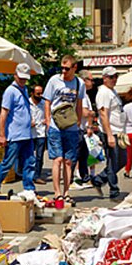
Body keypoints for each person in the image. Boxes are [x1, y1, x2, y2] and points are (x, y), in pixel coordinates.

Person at [42, 55, 85, 204]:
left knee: (68, 161)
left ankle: (67, 192)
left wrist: (79, 122)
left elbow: (79, 103)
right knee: (57, 159)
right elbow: (47, 101)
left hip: (71, 126)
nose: (63, 70)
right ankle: (57, 192)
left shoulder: (79, 83)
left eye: (67, 68)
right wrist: (47, 121)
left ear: (74, 68)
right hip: (55, 125)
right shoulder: (54, 80)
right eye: (62, 67)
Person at [0, 63, 36, 197]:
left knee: (29, 162)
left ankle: (28, 188)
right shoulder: (10, 91)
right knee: (8, 162)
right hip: (15, 135)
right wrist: (2, 135)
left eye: (25, 79)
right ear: (15, 75)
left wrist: (29, 119)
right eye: (20, 78)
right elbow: (3, 114)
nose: (23, 81)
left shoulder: (25, 89)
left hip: (26, 134)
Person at [92, 66, 126, 200]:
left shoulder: (113, 92)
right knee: (113, 161)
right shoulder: (104, 93)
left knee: (122, 160)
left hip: (119, 131)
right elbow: (103, 113)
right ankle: (114, 191)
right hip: (110, 132)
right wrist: (109, 134)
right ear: (104, 78)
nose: (114, 79)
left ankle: (99, 179)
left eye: (116, 76)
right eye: (111, 77)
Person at [73, 70, 96, 187]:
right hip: (78, 129)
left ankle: (84, 177)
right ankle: (75, 179)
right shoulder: (81, 95)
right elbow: (84, 113)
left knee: (85, 155)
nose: (93, 82)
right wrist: (92, 113)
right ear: (83, 80)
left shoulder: (85, 95)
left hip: (82, 129)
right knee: (76, 156)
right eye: (91, 80)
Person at [29, 84, 47, 185]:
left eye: (41, 93)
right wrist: (28, 121)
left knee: (39, 156)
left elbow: (49, 114)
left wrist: (46, 119)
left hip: (41, 132)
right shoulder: (27, 103)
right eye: (38, 93)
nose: (40, 95)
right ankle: (28, 175)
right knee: (29, 155)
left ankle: (37, 176)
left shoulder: (44, 104)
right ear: (32, 93)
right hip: (30, 133)